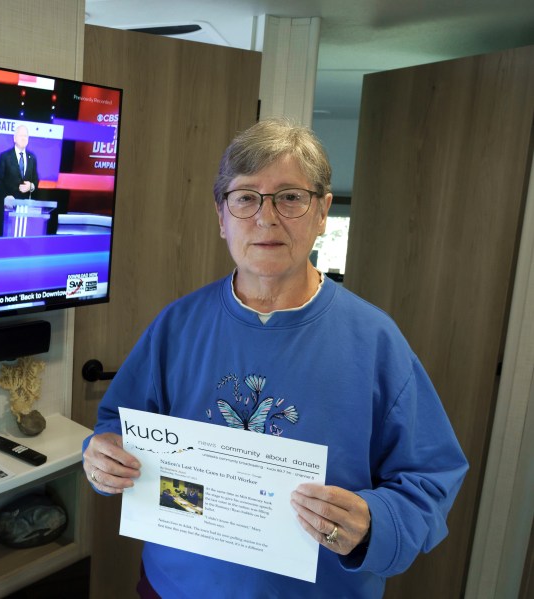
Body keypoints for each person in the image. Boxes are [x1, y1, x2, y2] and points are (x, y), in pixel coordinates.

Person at [81, 118, 468, 598]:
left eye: (290, 197)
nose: (266, 218)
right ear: (221, 216)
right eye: (245, 197)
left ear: (322, 212)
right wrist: (103, 457)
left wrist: (375, 524)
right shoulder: (176, 326)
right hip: (174, 586)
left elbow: (431, 477)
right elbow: (116, 425)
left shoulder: (376, 342)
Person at [0, 124, 39, 201]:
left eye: (25, 136)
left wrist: (31, 186)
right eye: (21, 135)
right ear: (14, 138)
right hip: (8, 204)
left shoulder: (32, 158)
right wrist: (6, 196)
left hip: (25, 205)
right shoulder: (5, 156)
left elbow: (36, 180)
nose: (23, 138)